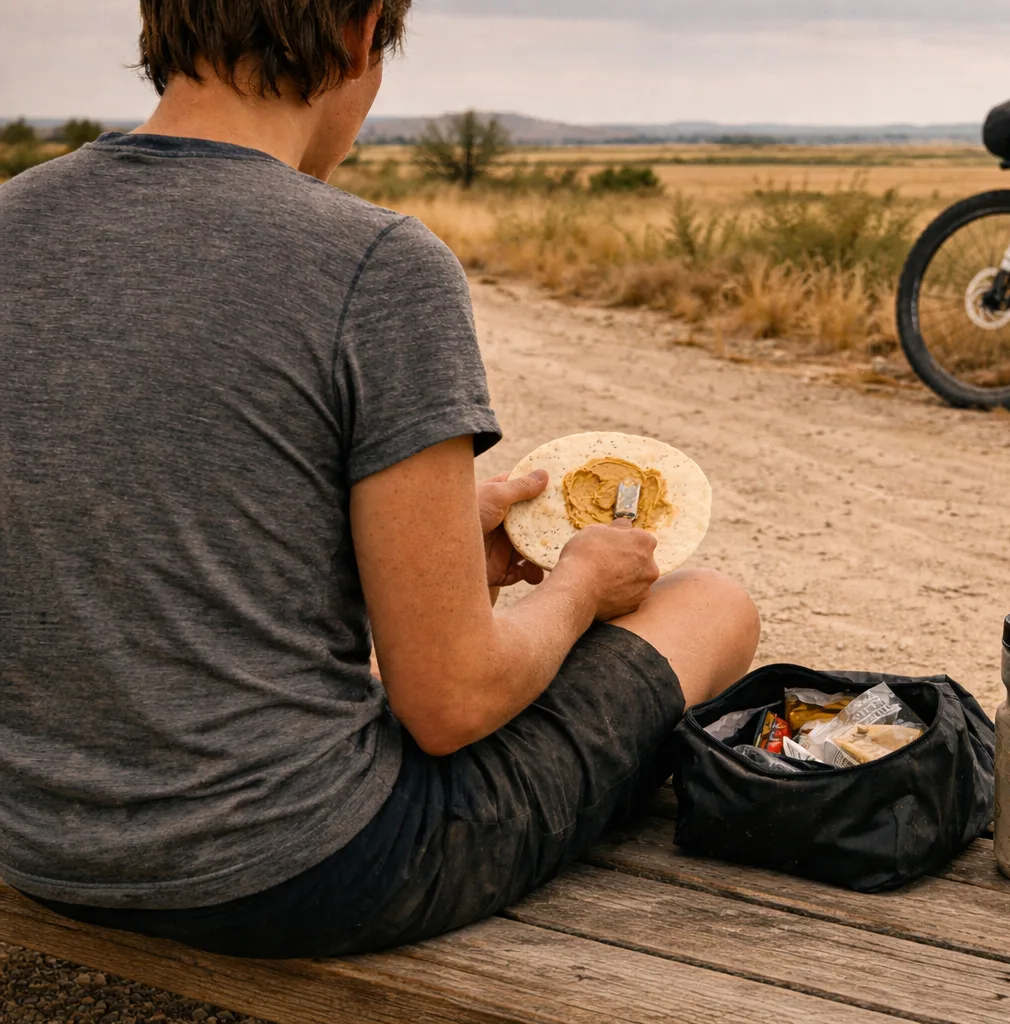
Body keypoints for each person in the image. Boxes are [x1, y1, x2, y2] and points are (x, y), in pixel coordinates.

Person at [0, 0, 759, 958]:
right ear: (360, 33)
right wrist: (576, 589)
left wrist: (418, 547)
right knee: (712, 606)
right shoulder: (379, 267)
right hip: (300, 867)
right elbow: (449, 705)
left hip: (37, 845)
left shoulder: (13, 218)